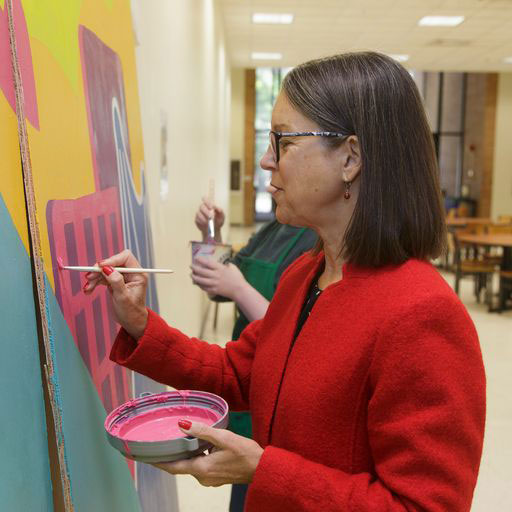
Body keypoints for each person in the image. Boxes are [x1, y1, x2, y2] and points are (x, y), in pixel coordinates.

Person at [85, 52, 486, 511]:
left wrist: (265, 470)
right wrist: (139, 322)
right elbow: (241, 372)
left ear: (351, 158)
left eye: (283, 141)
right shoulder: (306, 276)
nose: (264, 160)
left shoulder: (422, 315)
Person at [192, 199, 317, 511]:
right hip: (249, 378)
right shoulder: (274, 228)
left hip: (282, 389)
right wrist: (212, 233)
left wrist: (240, 290)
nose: (268, 164)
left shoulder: (317, 241)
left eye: (283, 150)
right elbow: (218, 284)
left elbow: (298, 334)